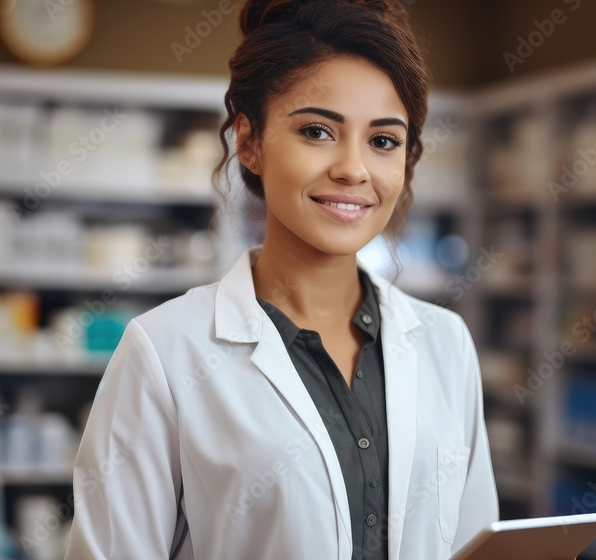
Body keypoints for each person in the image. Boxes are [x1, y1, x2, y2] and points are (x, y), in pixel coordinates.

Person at [65, 0, 498, 558]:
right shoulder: (166, 353)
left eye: (383, 140)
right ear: (249, 141)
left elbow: (475, 543)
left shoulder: (446, 344)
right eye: (317, 131)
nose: (354, 168)